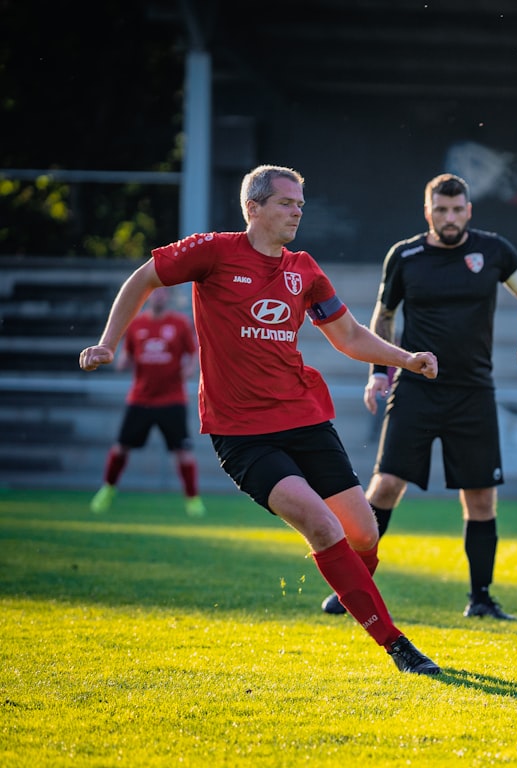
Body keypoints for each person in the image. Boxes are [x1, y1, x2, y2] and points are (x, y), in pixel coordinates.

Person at [80, 164, 442, 676]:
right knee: (320, 524)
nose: (297, 212)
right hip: (242, 434)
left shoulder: (305, 269)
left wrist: (405, 359)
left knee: (363, 534)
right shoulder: (212, 252)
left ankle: (351, 592)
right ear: (254, 207)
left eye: (300, 204)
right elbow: (143, 278)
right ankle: (397, 645)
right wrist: (109, 342)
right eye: (286, 203)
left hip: (304, 417)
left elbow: (350, 336)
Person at [321, 173, 517, 621]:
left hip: (473, 392)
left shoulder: (495, 251)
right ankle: (353, 587)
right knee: (385, 486)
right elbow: (382, 317)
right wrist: (380, 372)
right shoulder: (405, 256)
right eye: (441, 210)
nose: (450, 217)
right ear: (428, 212)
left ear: (468, 210)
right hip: (417, 388)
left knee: (481, 497)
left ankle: (481, 599)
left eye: (457, 209)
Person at [90, 287, 206, 517]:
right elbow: (127, 356)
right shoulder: (136, 324)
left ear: (169, 298)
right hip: (140, 398)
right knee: (121, 448)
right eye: (156, 293)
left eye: (163, 294)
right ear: (149, 296)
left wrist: (190, 367)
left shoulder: (180, 323)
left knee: (183, 451)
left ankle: (193, 500)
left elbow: (193, 353)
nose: (159, 297)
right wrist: (121, 362)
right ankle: (108, 489)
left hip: (172, 399)